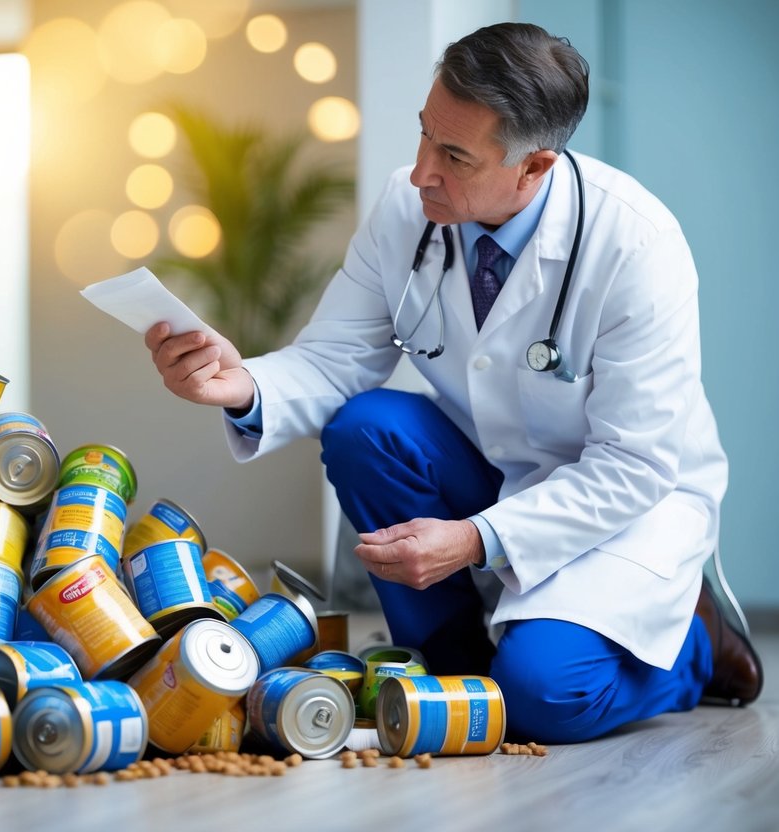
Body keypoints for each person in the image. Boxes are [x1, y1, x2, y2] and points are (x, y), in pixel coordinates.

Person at [144, 22, 762, 743]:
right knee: (365, 429)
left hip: (623, 504)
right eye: (423, 137)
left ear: (534, 167)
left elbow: (633, 467)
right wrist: (240, 384)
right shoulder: (406, 207)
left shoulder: (635, 246)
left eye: (453, 156)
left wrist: (474, 539)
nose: (419, 173)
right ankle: (454, 665)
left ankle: (694, 647)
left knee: (539, 700)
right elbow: (336, 358)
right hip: (497, 466)